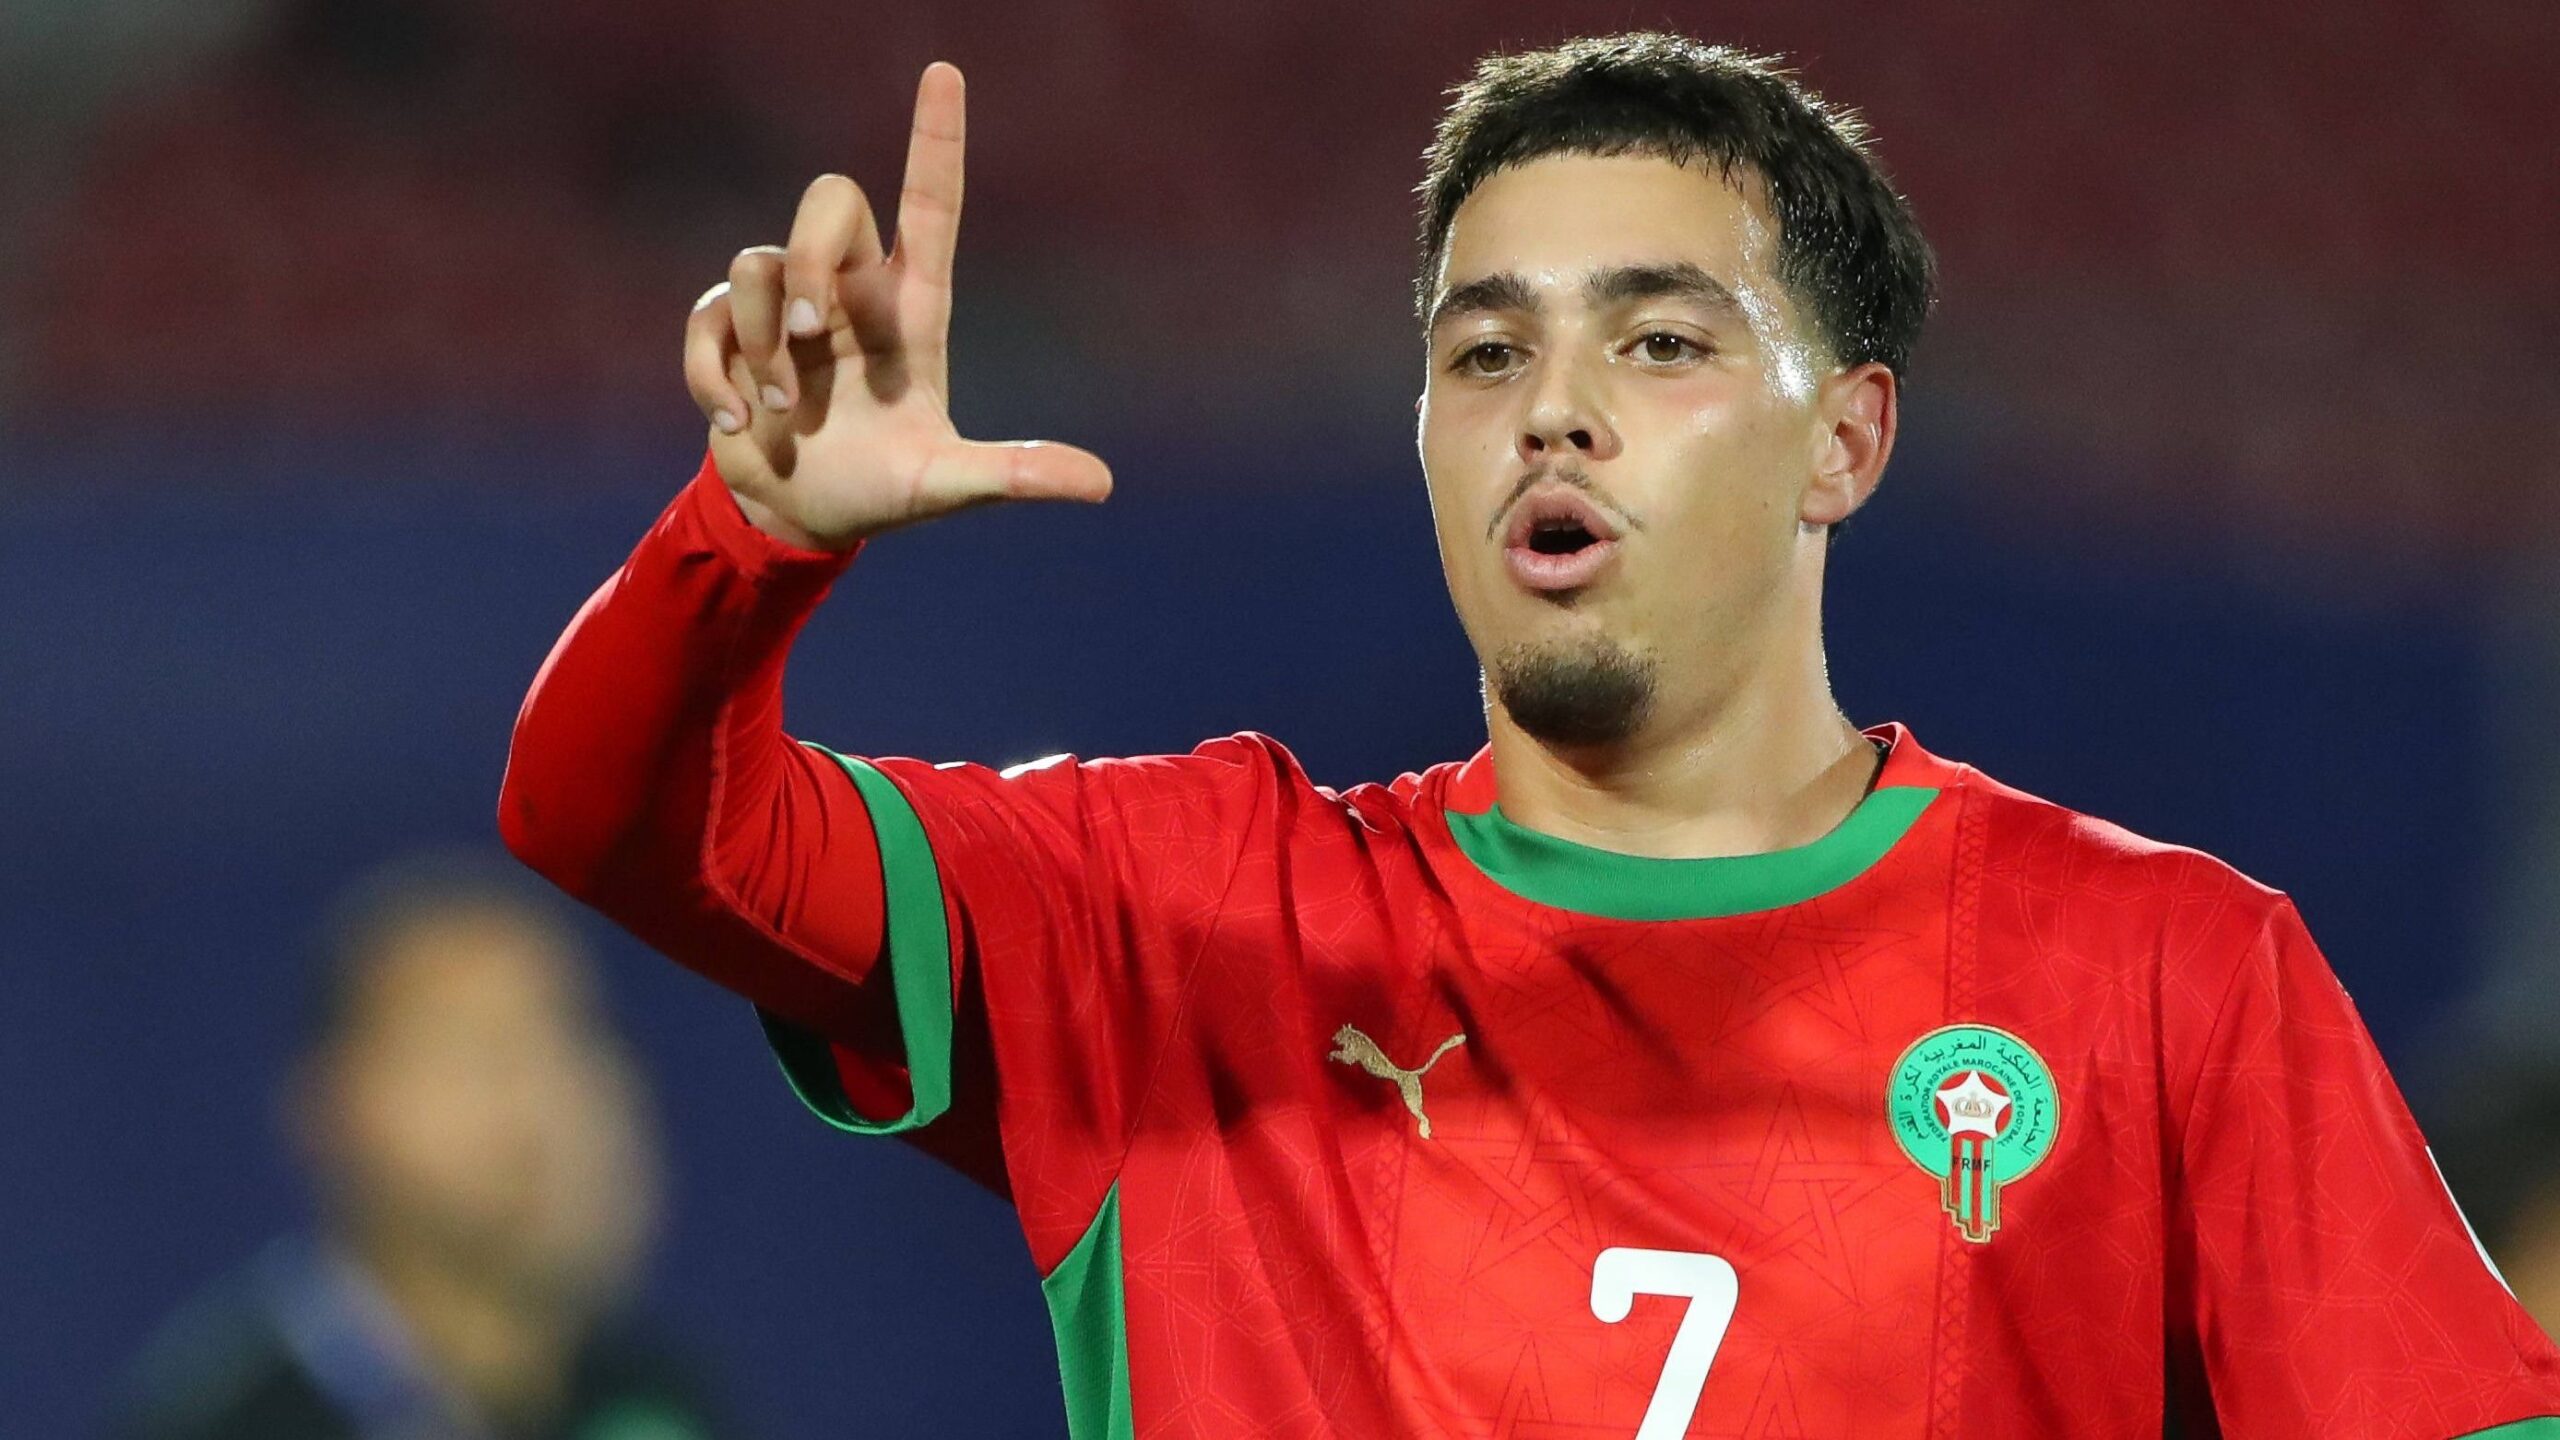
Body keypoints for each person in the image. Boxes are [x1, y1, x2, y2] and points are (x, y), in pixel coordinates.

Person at [496, 33, 2560, 1437]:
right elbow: (619, 826)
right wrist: (747, 543)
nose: (1550, 409)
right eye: (1483, 353)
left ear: (1844, 439)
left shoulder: (2164, 976)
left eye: (1655, 341)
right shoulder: (1175, 917)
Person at [107, 854, 733, 1440]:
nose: (548, 1104)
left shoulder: (661, 1404)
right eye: (477, 1052)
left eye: (573, 1037)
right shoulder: (221, 1422)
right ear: (332, 1107)